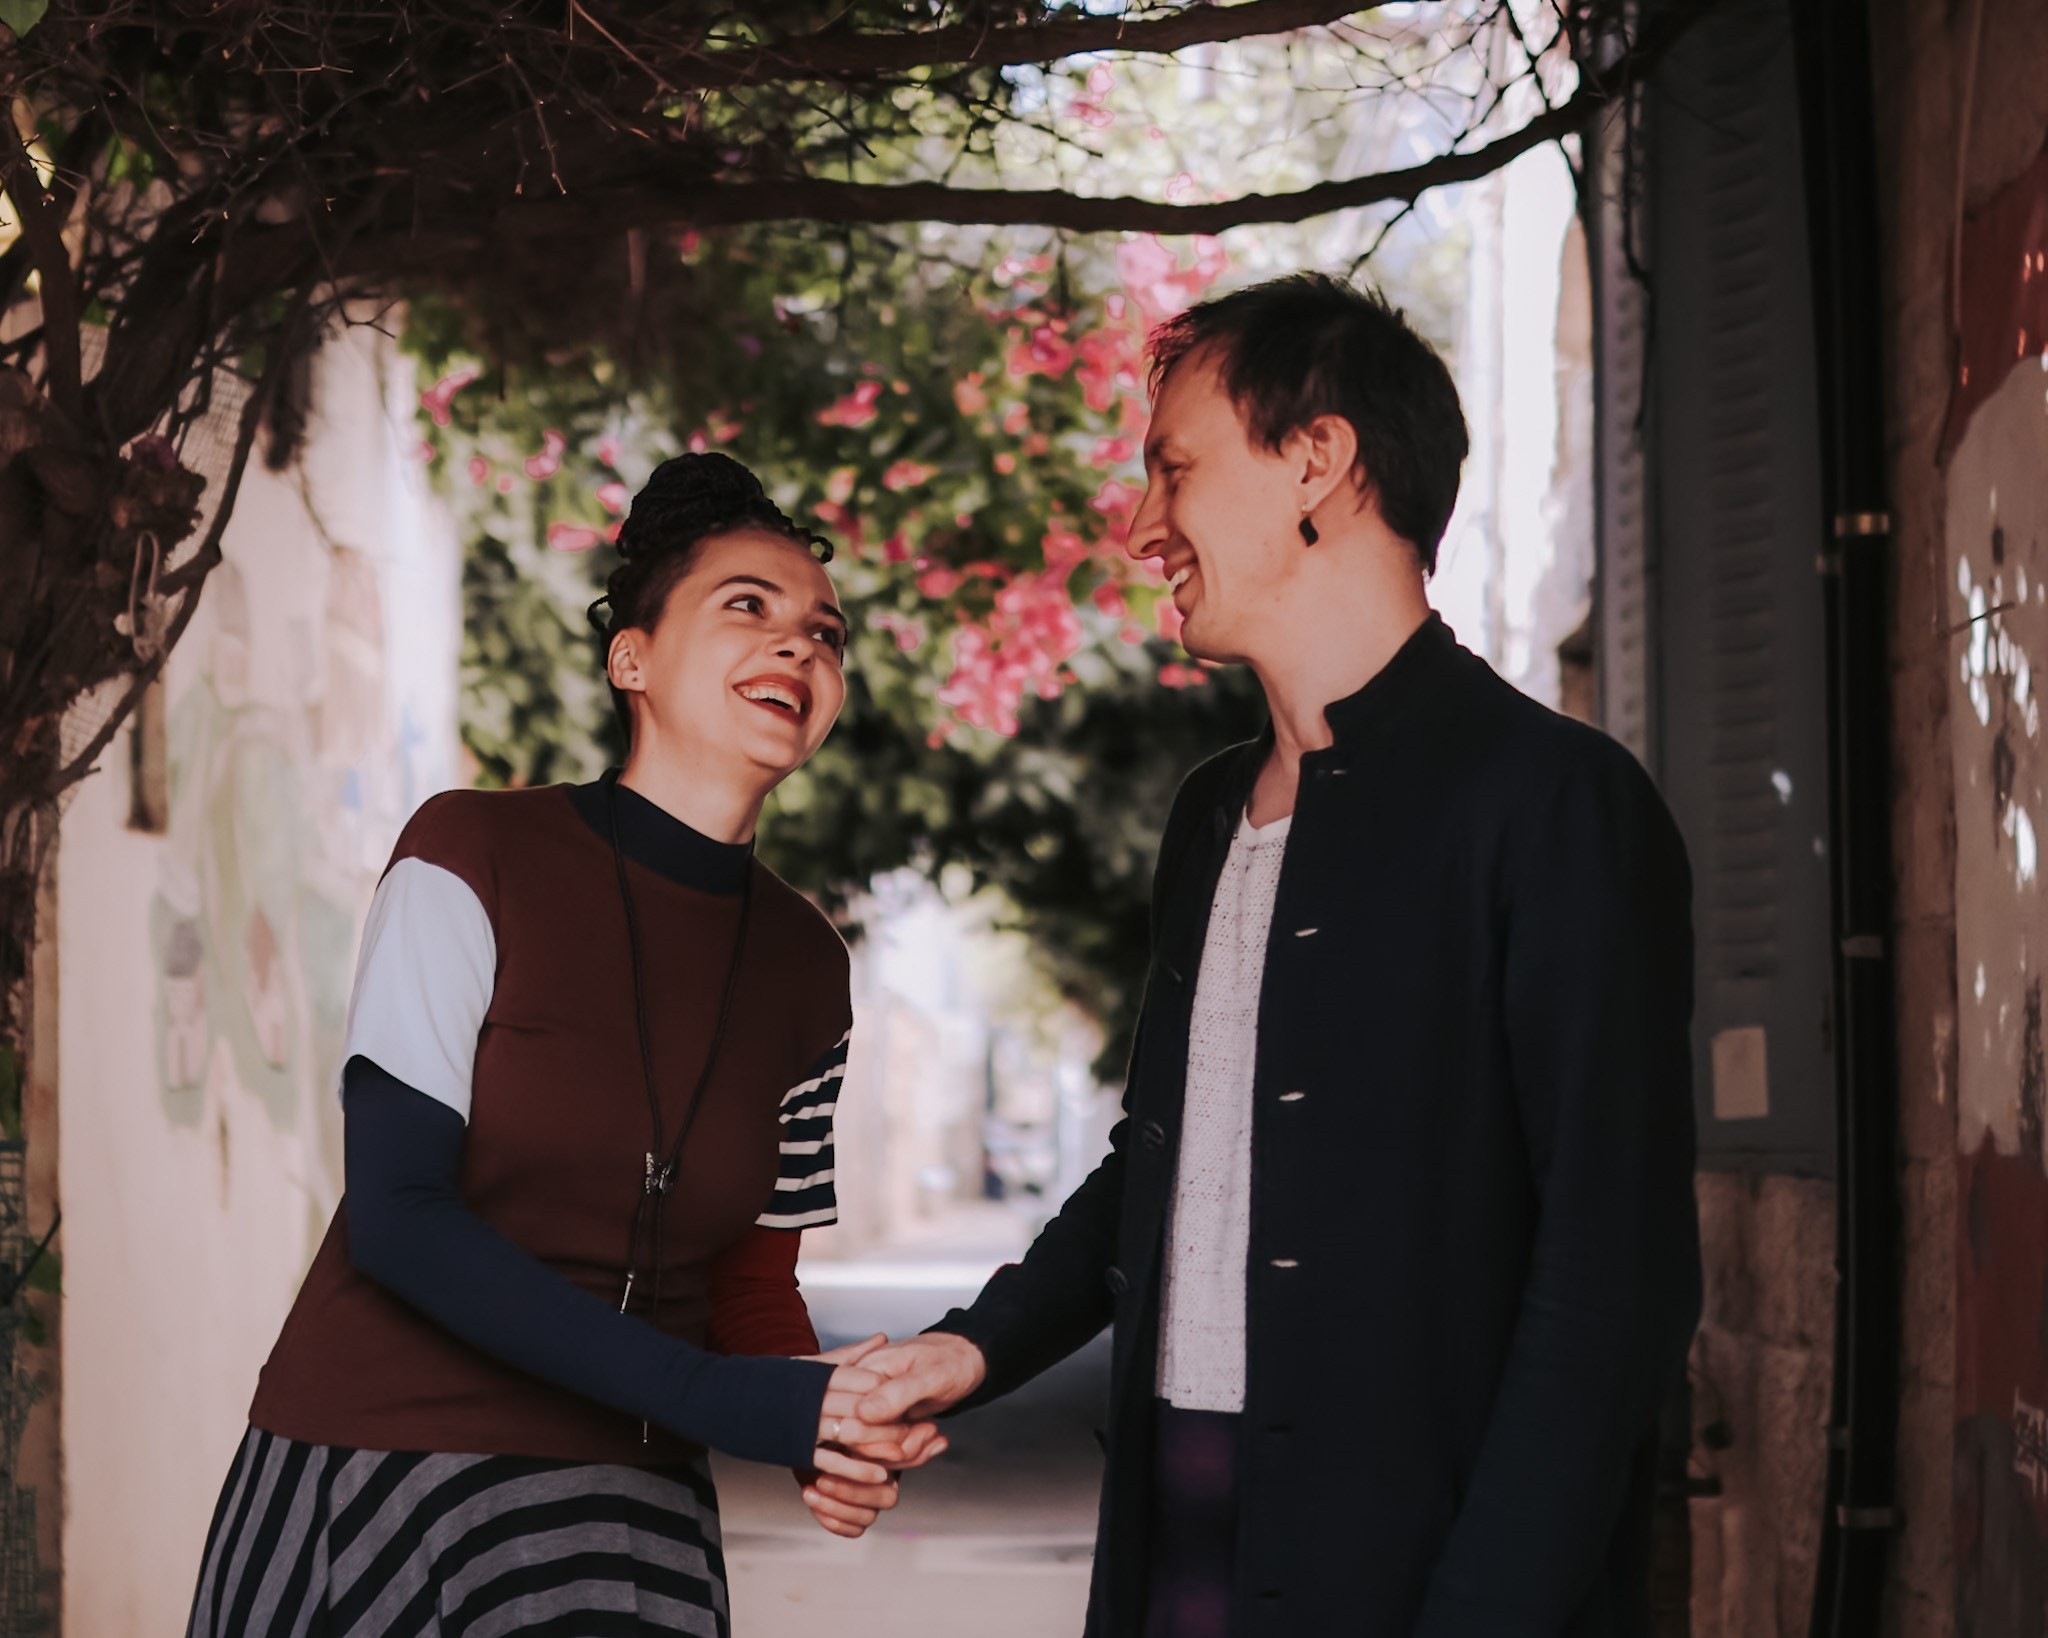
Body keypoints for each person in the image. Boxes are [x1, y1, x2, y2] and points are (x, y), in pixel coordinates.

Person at [856, 274, 1703, 1638]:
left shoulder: (1556, 805)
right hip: (1177, 1551)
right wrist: (973, 1345)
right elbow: (1165, 1154)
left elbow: (1614, 1274)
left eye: (1173, 467)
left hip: (1426, 1577)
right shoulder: (1209, 813)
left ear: (1318, 458)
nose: (1140, 527)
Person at [187, 453, 939, 1638]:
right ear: (628, 659)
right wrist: (728, 1404)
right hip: (388, 1466)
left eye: (826, 633)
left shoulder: (808, 968)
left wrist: (820, 1419)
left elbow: (750, 1278)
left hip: (633, 1508)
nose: (800, 646)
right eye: (747, 605)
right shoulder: (467, 856)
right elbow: (398, 1217)